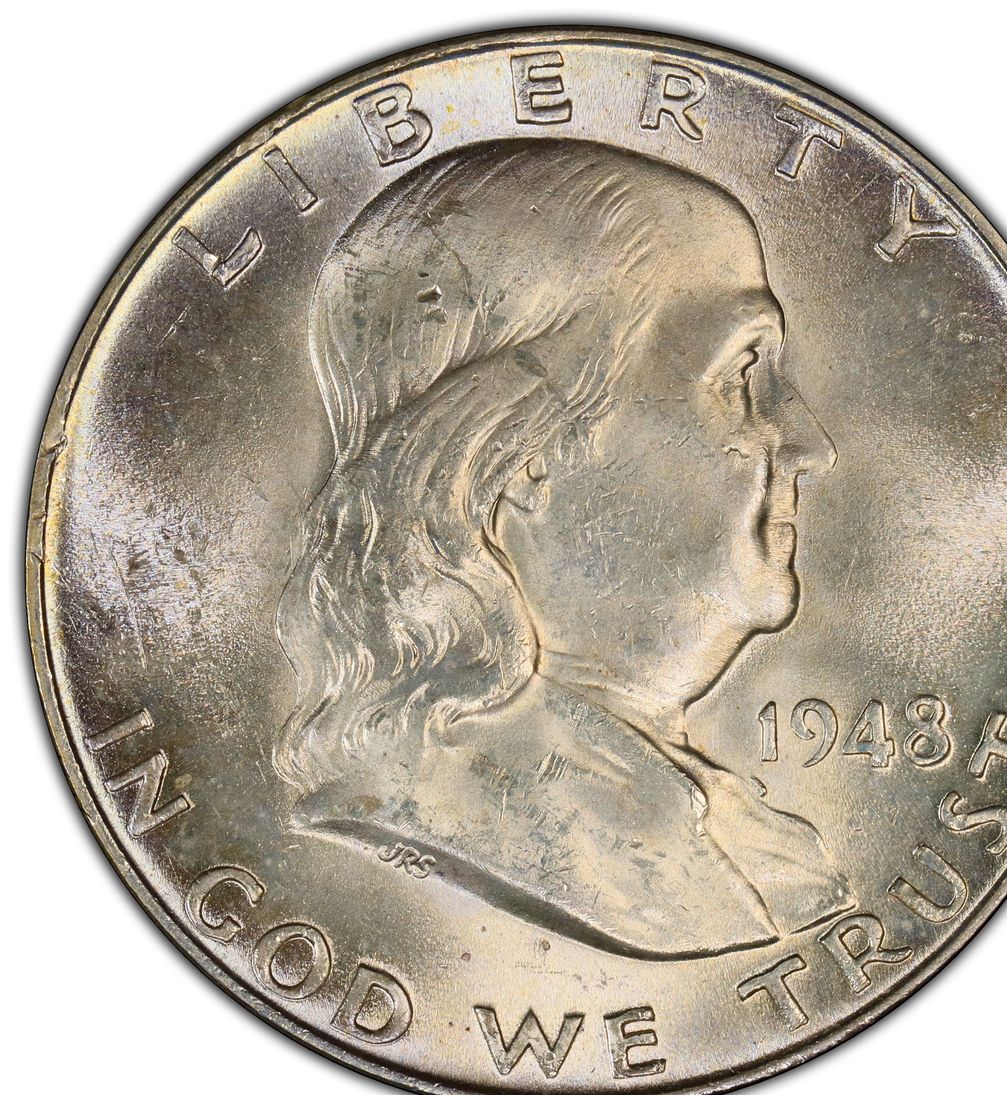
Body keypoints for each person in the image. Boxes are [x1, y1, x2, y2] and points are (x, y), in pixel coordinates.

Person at [275, 138, 852, 958]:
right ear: (518, 456)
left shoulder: (761, 847)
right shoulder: (469, 828)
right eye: (740, 375)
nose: (807, 446)